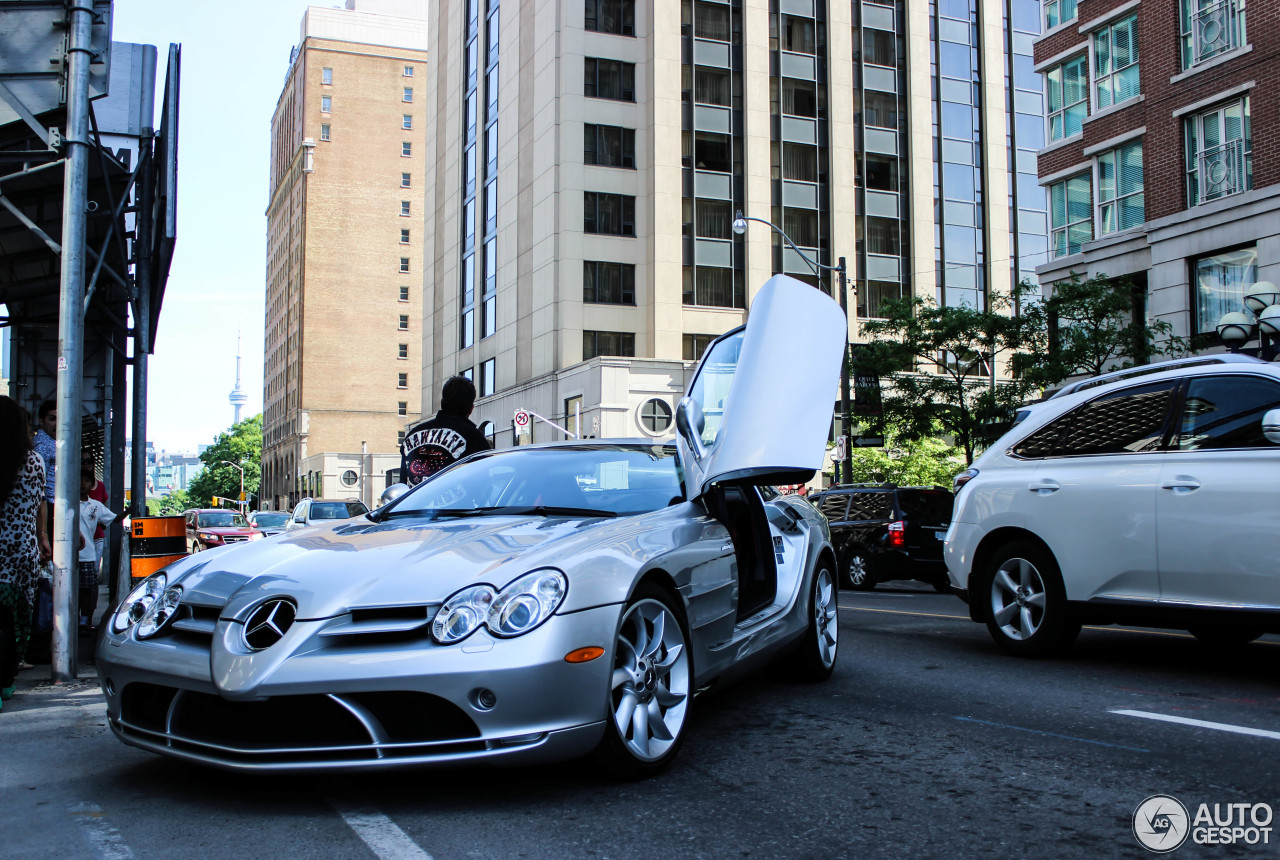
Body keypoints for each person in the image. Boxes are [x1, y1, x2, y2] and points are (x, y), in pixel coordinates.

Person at [0, 396, 51, 709]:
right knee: (16, 620)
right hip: (22, 550)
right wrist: (42, 536)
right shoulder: (35, 462)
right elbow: (40, 502)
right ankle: (6, 682)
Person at [399, 375, 491, 485]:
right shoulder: (474, 438)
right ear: (471, 408)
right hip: (459, 502)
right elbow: (483, 484)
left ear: (442, 402)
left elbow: (402, 486)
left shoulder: (412, 435)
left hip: (417, 502)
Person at [77, 468, 116, 631]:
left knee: (89, 590)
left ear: (91, 485)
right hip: (68, 555)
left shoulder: (96, 506)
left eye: (86, 481)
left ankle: (85, 621)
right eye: (80, 480)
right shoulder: (67, 502)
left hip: (88, 554)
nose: (83, 483)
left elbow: (113, 518)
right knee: (73, 590)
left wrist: (130, 511)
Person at [32, 400, 55, 534]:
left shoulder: (51, 443)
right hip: (49, 505)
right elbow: (40, 484)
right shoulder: (43, 446)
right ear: (41, 421)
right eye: (52, 419)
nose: (57, 423)